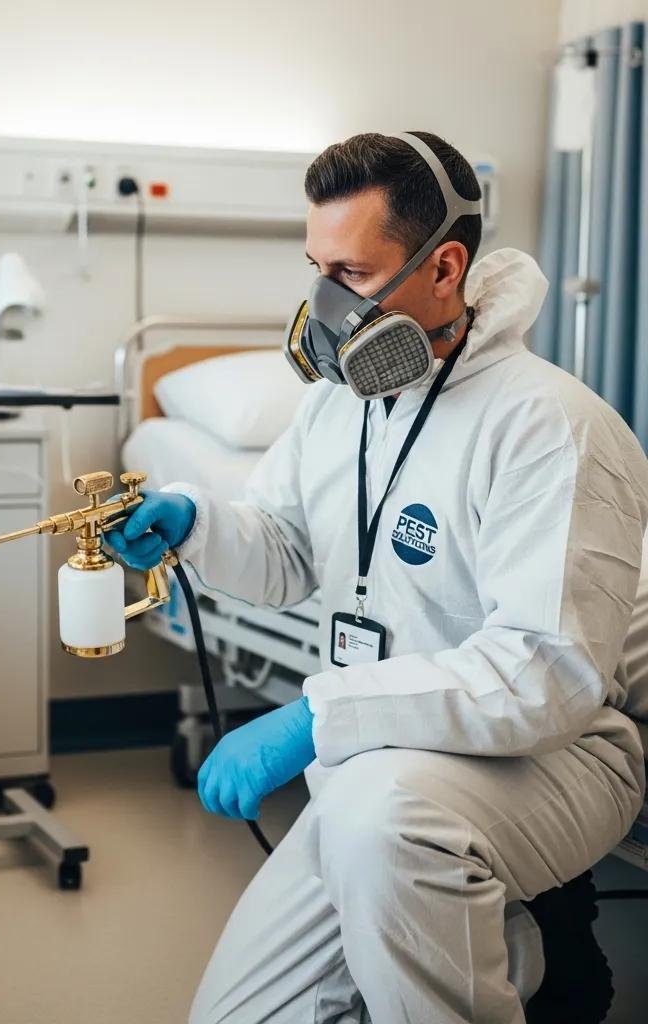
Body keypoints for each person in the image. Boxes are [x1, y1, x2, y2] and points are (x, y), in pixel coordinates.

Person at [106, 131, 648, 1024]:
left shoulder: (549, 426)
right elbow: (285, 552)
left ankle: (519, 958)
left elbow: (547, 674)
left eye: (352, 274)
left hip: (551, 754)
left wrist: (316, 715)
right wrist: (196, 527)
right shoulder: (337, 405)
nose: (326, 304)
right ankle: (512, 948)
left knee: (379, 818)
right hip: (381, 772)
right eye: (317, 268)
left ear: (444, 268)